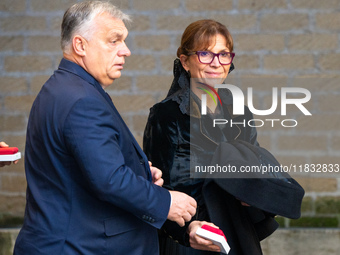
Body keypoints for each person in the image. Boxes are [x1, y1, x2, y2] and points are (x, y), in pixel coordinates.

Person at [13, 2, 196, 255]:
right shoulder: (82, 100)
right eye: (114, 41)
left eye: (124, 40)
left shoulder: (64, 88)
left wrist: (140, 171)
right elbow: (109, 179)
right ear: (80, 45)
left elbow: (81, 165)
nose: (126, 51)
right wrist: (166, 202)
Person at [143, 20, 278, 255]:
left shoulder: (240, 112)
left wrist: (252, 191)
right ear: (185, 61)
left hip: (234, 234)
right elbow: (156, 188)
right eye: (205, 54)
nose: (216, 63)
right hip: (189, 238)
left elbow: (253, 168)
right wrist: (186, 231)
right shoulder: (167, 114)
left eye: (223, 54)